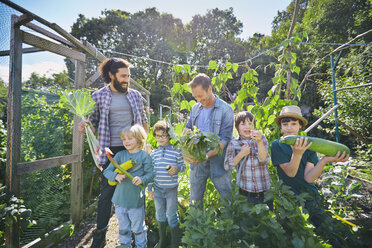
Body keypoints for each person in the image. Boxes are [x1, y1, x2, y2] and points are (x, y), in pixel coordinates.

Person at [78, 58, 148, 248]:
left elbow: (143, 120)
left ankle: (139, 234)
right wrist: (85, 126)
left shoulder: (135, 95)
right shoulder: (99, 96)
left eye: (128, 76)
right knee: (106, 194)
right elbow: (92, 122)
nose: (127, 79)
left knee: (137, 190)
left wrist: (145, 145)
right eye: (123, 76)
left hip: (133, 150)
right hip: (110, 151)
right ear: (111, 75)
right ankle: (100, 236)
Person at [271, 105, 353, 246]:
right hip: (288, 198)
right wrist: (297, 153)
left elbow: (309, 178)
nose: (289, 127)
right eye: (285, 124)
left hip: (309, 195)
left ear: (300, 126)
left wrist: (324, 160)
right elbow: (290, 173)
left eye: (293, 124)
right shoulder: (277, 145)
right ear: (280, 126)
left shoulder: (310, 145)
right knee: (296, 235)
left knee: (325, 232)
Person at [184, 73, 234, 206]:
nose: (198, 100)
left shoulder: (225, 110)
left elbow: (225, 139)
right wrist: (186, 134)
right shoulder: (195, 108)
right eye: (195, 97)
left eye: (200, 96)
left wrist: (205, 156)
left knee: (227, 197)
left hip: (219, 160)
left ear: (210, 89)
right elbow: (189, 127)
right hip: (197, 161)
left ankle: (228, 224)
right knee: (195, 199)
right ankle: (195, 225)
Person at [103, 124, 154, 248]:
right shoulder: (120, 156)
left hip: (135, 200)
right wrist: (116, 176)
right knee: (123, 228)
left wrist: (142, 179)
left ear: (139, 139)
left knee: (138, 228)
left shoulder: (144, 157)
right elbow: (107, 171)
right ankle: (125, 245)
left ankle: (141, 246)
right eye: (124, 139)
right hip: (120, 200)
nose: (126, 141)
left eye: (130, 138)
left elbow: (151, 174)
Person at [148, 120, 185, 248]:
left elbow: (183, 167)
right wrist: (150, 189)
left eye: (163, 135)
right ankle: (162, 241)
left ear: (169, 135)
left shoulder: (176, 151)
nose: (161, 138)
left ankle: (175, 243)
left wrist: (176, 168)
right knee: (160, 214)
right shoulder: (154, 154)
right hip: (158, 190)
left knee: (172, 216)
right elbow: (151, 173)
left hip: (171, 190)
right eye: (158, 135)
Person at [224, 111, 272, 208]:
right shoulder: (233, 143)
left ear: (254, 126)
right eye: (243, 124)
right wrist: (241, 154)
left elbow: (264, 160)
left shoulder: (261, 139)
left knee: (267, 219)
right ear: (237, 127)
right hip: (246, 192)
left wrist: (259, 142)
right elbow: (227, 166)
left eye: (250, 123)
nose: (247, 127)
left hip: (265, 191)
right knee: (249, 220)